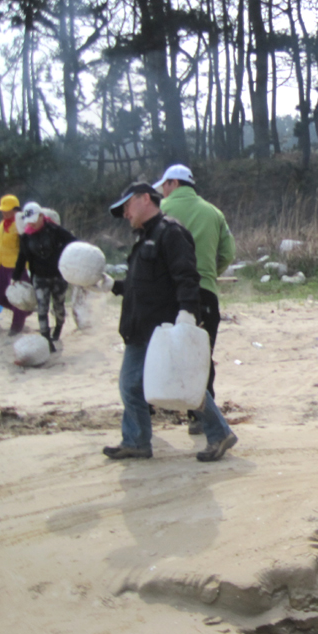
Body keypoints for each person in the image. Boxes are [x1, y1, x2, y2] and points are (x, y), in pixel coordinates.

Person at [103, 182, 237, 462]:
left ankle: (219, 433)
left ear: (143, 199)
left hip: (163, 330)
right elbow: (137, 285)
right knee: (130, 385)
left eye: (127, 206)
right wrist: (110, 286)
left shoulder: (171, 232)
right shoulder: (143, 238)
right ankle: (136, 441)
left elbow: (186, 276)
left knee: (182, 384)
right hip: (138, 328)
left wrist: (187, 314)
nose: (126, 213)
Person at [154, 163, 236, 435]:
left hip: (169, 295)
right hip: (206, 293)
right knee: (202, 356)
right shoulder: (214, 212)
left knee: (161, 352)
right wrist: (210, 273)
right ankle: (200, 417)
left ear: (172, 184)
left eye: (164, 186)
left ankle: (150, 409)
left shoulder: (161, 211)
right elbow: (228, 253)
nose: (163, 192)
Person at [13, 202, 77, 351]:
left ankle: (59, 327)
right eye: (30, 221)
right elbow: (22, 257)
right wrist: (15, 276)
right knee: (42, 307)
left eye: (35, 219)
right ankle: (46, 338)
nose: (33, 224)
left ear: (42, 216)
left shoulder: (55, 230)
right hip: (39, 276)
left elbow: (74, 242)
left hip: (58, 275)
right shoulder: (26, 237)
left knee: (59, 305)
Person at [0, 194, 32, 335]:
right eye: (3, 210)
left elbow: (24, 248)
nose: (4, 213)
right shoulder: (2, 224)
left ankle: (16, 327)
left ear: (16, 210)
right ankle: (24, 310)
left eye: (7, 210)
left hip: (16, 267)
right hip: (2, 265)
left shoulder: (20, 226)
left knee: (18, 297)